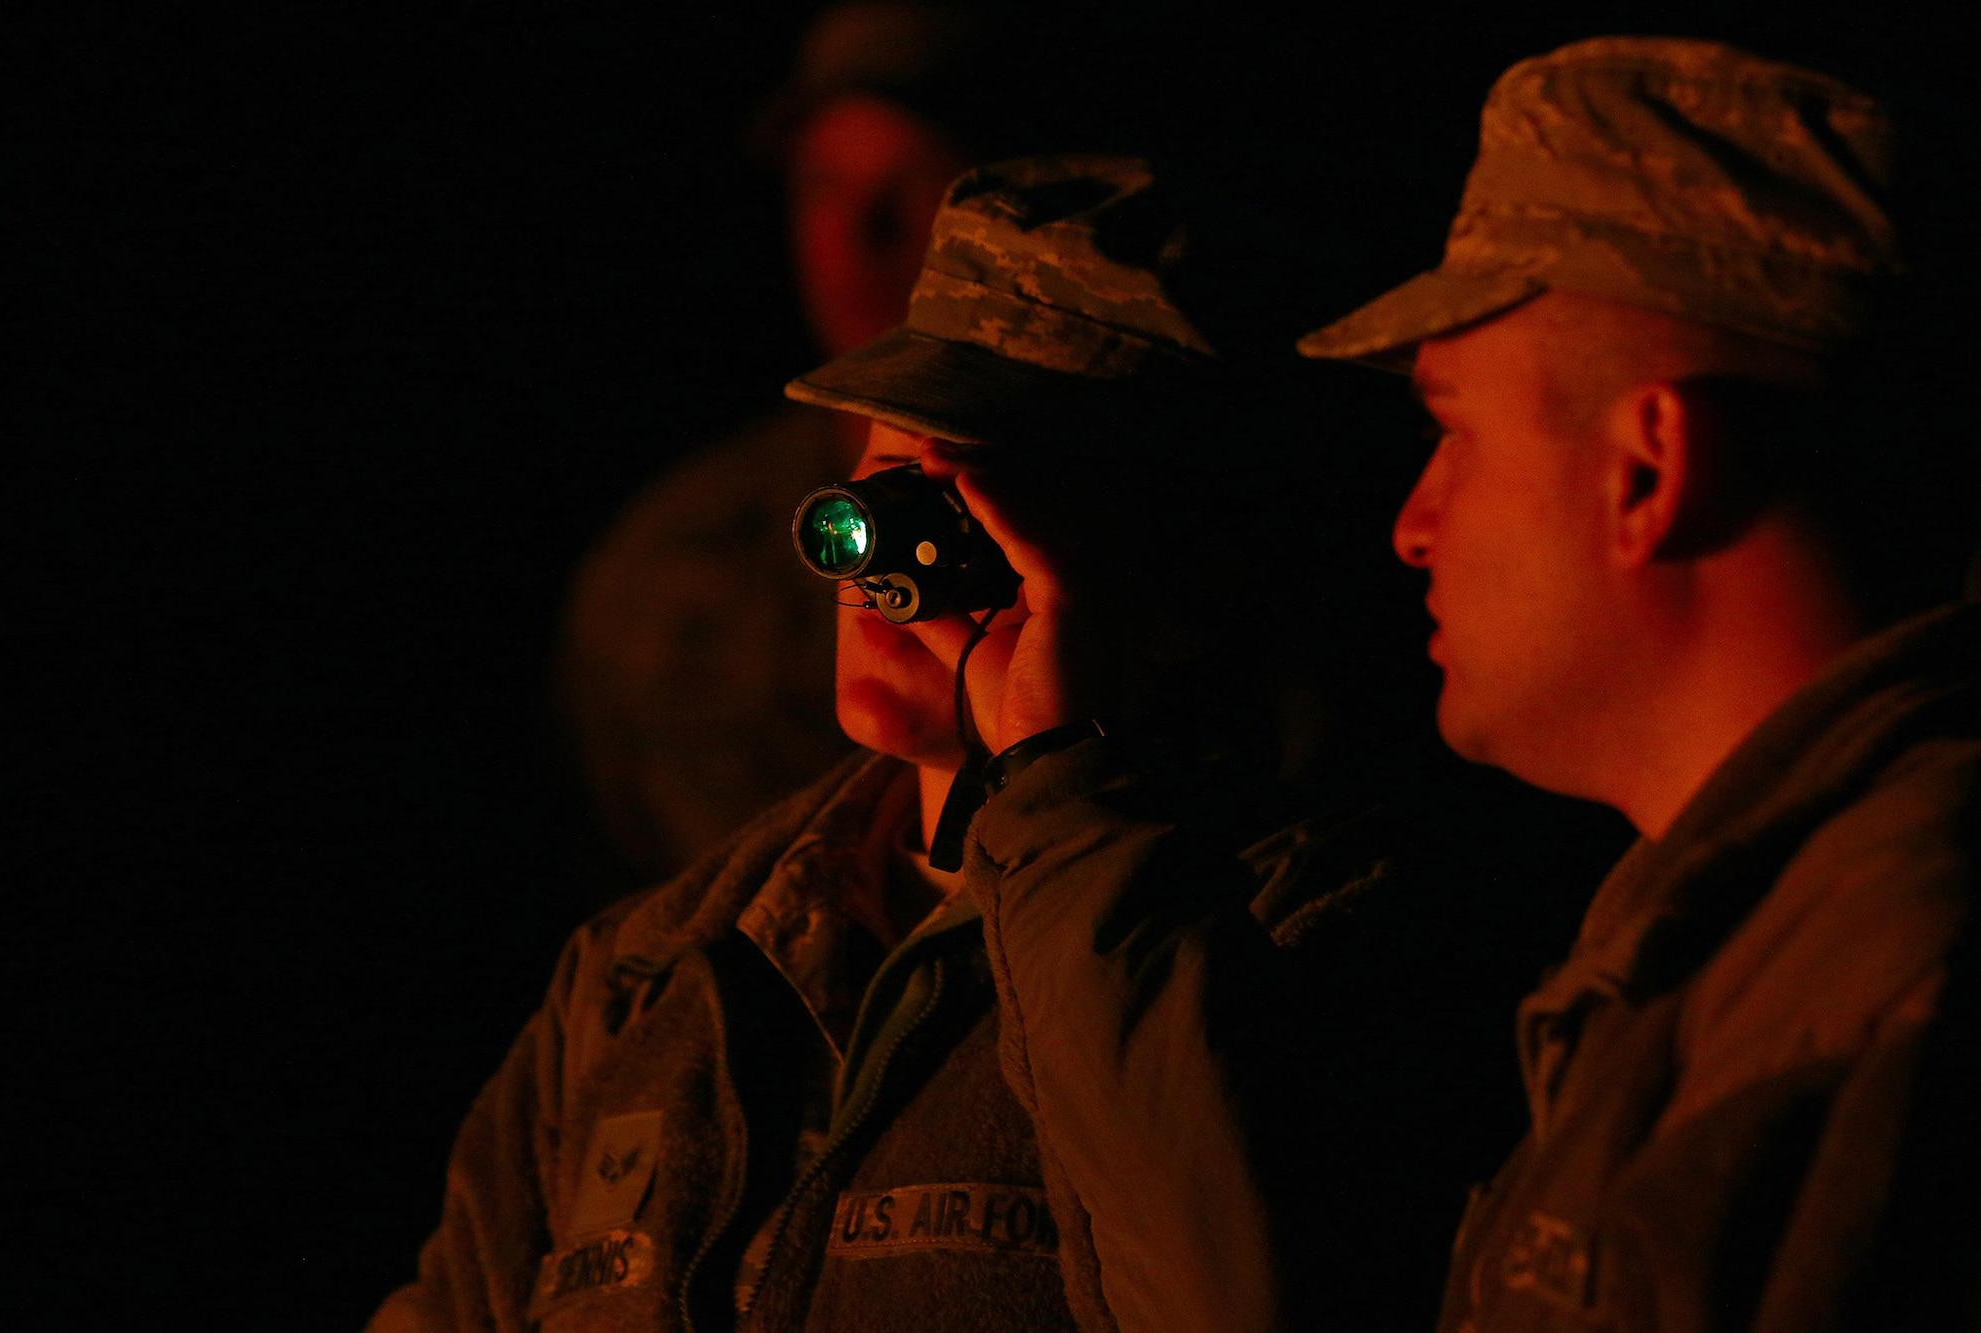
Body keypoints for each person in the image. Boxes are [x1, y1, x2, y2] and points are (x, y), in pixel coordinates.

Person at [381, 154, 1537, 1333]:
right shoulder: (655, 975)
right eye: (886, 487)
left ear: (1189, 577)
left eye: (972, 512)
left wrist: (1057, 785)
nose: (886, 571)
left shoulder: (1323, 943)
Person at [1288, 37, 1978, 1329]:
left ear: (1646, 470)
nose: (1413, 523)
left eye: (1454, 429)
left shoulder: (1883, 990)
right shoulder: (1728, 954)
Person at [555, 1, 981, 887]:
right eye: (823, 185)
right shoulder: (686, 559)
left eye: (916, 182)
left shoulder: (1123, 528)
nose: (859, 235)